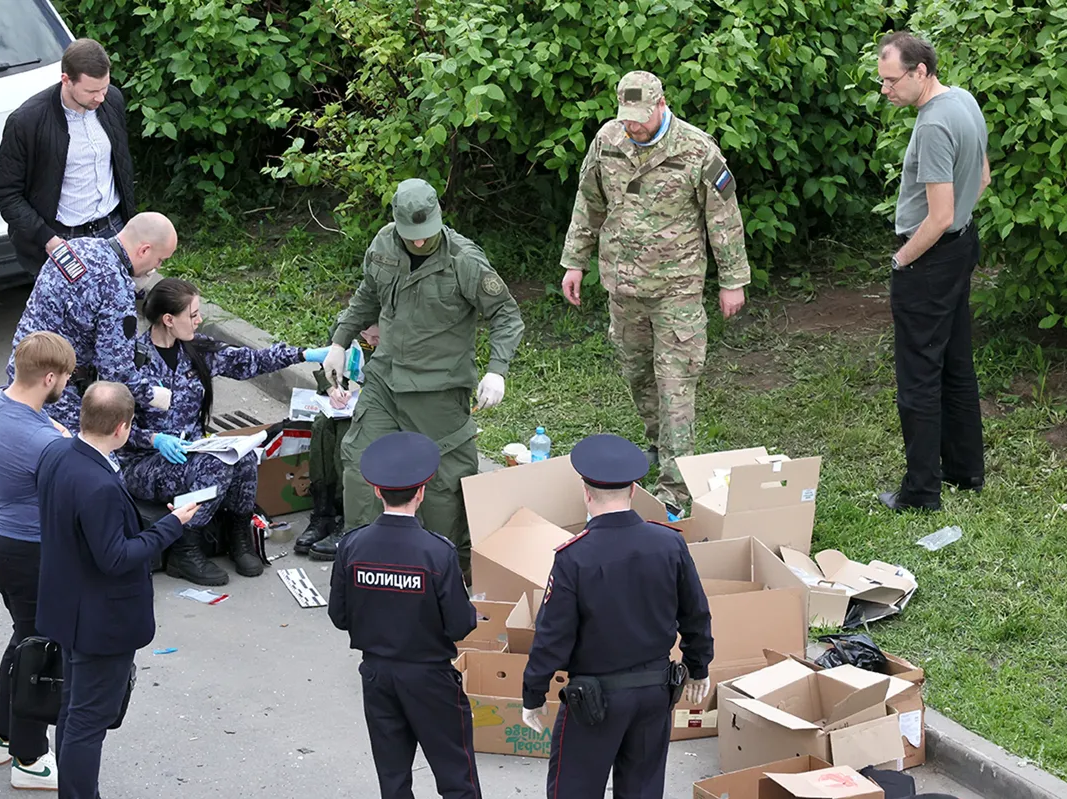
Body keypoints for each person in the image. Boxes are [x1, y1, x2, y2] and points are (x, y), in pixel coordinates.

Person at [558, 71, 751, 518]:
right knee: (638, 375)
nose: (635, 127)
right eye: (627, 118)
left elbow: (724, 218)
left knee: (675, 386)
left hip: (676, 291)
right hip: (623, 287)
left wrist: (732, 279)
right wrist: (575, 261)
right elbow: (589, 202)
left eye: (642, 119)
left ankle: (675, 490)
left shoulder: (697, 150)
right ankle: (656, 446)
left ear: (662, 104)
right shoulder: (608, 140)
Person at [320, 178, 524, 577]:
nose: (418, 243)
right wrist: (340, 341)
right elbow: (368, 295)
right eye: (410, 236)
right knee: (361, 464)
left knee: (443, 487)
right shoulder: (382, 245)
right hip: (386, 380)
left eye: (425, 235)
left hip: (438, 388)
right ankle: (364, 566)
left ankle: (442, 569)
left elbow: (506, 315)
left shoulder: (465, 261)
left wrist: (496, 371)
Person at [521, 433, 715, 799]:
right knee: (642, 791)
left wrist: (534, 692)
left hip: (595, 700)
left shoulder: (573, 557)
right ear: (635, 489)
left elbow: (552, 636)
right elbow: (696, 613)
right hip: (656, 692)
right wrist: (698, 666)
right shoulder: (669, 543)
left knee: (574, 790)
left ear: (585, 492)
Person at [35, 382, 199, 799]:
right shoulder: (101, 485)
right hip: (100, 622)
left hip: (66, 608)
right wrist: (171, 525)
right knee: (89, 722)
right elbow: (116, 558)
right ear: (123, 428)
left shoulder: (57, 454)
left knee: (73, 713)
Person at [118, 277, 315, 585]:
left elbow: (251, 360)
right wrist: (154, 439)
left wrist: (305, 354)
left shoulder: (198, 351)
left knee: (245, 457)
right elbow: (108, 428)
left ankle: (238, 534)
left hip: (193, 452)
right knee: (214, 463)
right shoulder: (131, 362)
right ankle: (186, 546)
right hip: (144, 463)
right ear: (169, 320)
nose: (199, 320)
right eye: (192, 314)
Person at [328, 431, 482, 799]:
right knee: (456, 775)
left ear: (377, 492)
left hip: (377, 676)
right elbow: (461, 625)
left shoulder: (352, 545)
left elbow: (339, 615)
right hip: (430, 678)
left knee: (393, 779)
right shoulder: (437, 553)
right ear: (422, 491)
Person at [875, 32, 990, 512]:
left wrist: (903, 260)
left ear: (920, 71)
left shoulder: (932, 126)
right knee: (957, 364)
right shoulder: (963, 99)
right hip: (961, 247)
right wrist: (956, 227)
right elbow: (982, 178)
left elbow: (937, 215)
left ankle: (921, 492)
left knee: (919, 376)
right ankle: (965, 471)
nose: (885, 90)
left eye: (891, 80)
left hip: (931, 258)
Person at [0, 332, 75, 791]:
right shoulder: (45, 442)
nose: (67, 387)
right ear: (49, 377)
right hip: (25, 552)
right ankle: (29, 759)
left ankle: (2, 735)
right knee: (41, 651)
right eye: (66, 379)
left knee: (23, 638)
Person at [6, 211, 178, 435]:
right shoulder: (116, 287)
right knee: (89, 456)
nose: (156, 268)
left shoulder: (76, 247)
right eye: (159, 260)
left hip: (21, 371)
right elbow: (115, 370)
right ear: (144, 250)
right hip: (56, 390)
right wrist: (154, 395)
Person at [0, 38, 135, 277]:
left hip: (113, 230)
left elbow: (121, 164)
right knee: (70, 315)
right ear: (66, 80)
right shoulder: (27, 121)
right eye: (91, 91)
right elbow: (4, 194)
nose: (100, 97)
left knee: (117, 313)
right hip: (62, 241)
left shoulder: (113, 100)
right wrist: (48, 240)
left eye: (105, 87)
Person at [295, 322, 379, 558]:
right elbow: (327, 365)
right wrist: (333, 388)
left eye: (375, 336)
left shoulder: (400, 332)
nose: (369, 340)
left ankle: (349, 516)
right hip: (348, 403)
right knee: (322, 426)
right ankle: (323, 513)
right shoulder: (345, 328)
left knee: (346, 434)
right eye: (364, 334)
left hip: (379, 407)